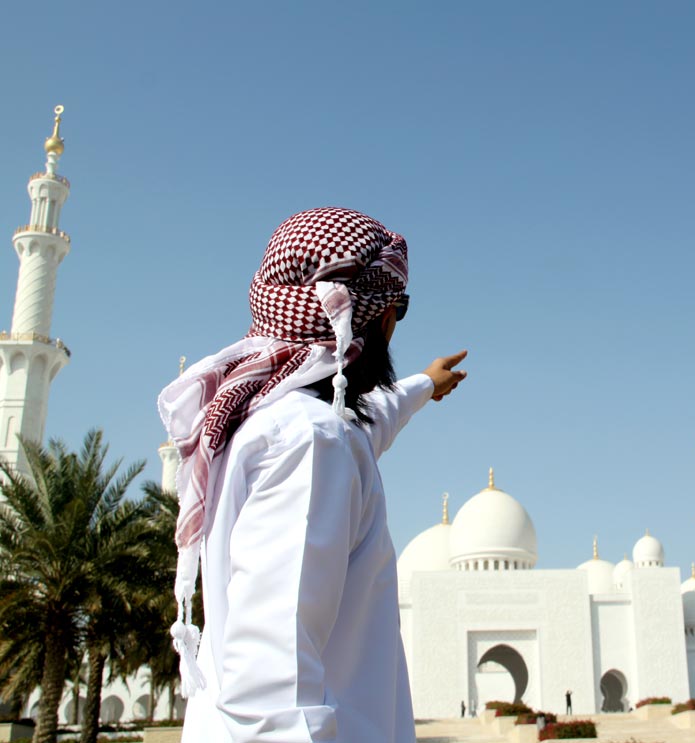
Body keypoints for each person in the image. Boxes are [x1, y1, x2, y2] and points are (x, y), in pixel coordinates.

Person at [160, 207, 467, 743]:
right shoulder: (312, 442)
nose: (396, 322)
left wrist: (425, 384)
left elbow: (370, 423)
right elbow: (273, 694)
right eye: (399, 305)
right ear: (371, 314)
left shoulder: (270, 423)